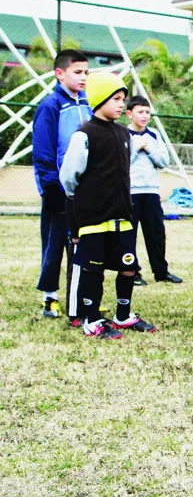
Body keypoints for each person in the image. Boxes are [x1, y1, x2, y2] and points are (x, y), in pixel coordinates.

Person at [59, 72, 156, 338]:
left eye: (123, 99)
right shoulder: (84, 135)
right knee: (93, 268)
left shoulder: (124, 133)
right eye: (115, 99)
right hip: (93, 219)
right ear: (99, 99)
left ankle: (123, 316)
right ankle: (92, 320)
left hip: (122, 217)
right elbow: (69, 178)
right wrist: (80, 210)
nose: (121, 104)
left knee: (128, 266)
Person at [32, 49, 92, 321]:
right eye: (77, 72)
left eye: (86, 72)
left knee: (83, 244)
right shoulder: (50, 105)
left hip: (83, 188)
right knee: (54, 244)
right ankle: (50, 297)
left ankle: (81, 297)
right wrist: (50, 186)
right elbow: (43, 150)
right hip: (58, 189)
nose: (83, 77)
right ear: (59, 73)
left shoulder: (88, 104)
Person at [125, 96, 182, 286]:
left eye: (147, 112)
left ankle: (161, 272)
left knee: (156, 233)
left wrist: (149, 148)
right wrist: (136, 147)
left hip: (151, 192)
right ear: (129, 114)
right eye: (140, 112)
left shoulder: (154, 135)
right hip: (130, 192)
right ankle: (132, 272)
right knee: (129, 234)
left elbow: (164, 161)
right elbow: (122, 162)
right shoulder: (123, 134)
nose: (144, 116)